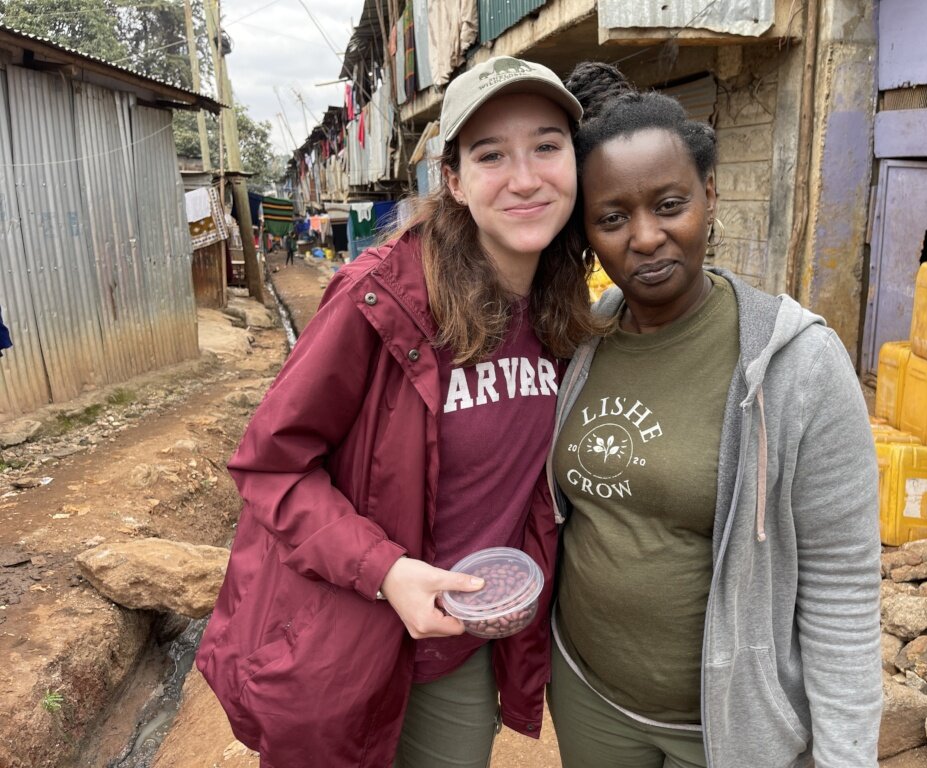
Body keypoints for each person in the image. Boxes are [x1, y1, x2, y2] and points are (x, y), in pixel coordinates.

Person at [196, 56, 599, 768]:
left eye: (546, 145)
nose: (527, 176)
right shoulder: (381, 301)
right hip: (342, 638)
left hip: (460, 650)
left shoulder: (567, 308)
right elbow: (270, 465)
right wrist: (386, 571)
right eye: (491, 155)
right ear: (453, 180)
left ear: (575, 158)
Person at [546, 62, 882, 768]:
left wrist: (847, 755)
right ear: (587, 230)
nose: (643, 237)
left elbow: (843, 589)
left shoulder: (798, 365)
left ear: (710, 196)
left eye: (669, 205)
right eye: (612, 217)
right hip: (587, 698)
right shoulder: (583, 345)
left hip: (726, 731)